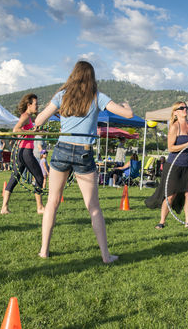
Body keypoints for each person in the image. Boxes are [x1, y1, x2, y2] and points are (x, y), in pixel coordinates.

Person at [34, 60, 133, 263]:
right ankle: (105, 255)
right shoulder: (97, 97)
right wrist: (126, 105)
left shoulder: (62, 95)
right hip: (83, 153)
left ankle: (44, 250)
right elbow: (128, 114)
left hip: (62, 149)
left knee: (52, 202)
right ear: (92, 77)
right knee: (93, 207)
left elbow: (38, 120)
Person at [145, 101, 188, 231]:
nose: (185, 109)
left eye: (186, 107)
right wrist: (186, 144)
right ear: (175, 112)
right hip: (174, 164)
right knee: (170, 195)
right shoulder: (174, 127)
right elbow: (171, 148)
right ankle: (162, 222)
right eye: (182, 108)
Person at [1, 93, 45, 215]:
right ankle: (40, 207)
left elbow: (27, 131)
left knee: (14, 178)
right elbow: (16, 130)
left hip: (21, 151)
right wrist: (31, 130)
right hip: (26, 151)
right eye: (36, 104)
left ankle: (4, 208)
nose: (37, 106)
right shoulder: (25, 116)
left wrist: (37, 131)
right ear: (29, 104)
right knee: (40, 177)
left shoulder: (29, 118)